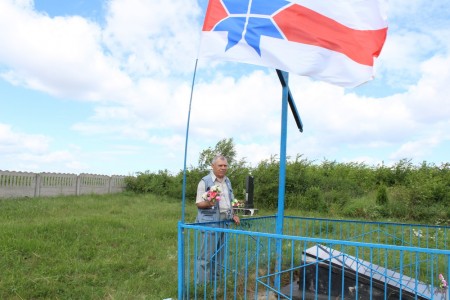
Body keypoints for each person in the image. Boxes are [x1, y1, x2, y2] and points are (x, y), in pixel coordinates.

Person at [195, 154, 240, 284]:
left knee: (219, 255)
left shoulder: (227, 181)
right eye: (220, 165)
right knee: (206, 256)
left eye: (225, 165)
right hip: (210, 223)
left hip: (225, 222)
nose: (223, 168)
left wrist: (234, 214)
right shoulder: (205, 182)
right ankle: (203, 285)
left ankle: (216, 282)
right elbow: (199, 203)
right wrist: (210, 202)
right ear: (213, 166)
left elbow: (232, 200)